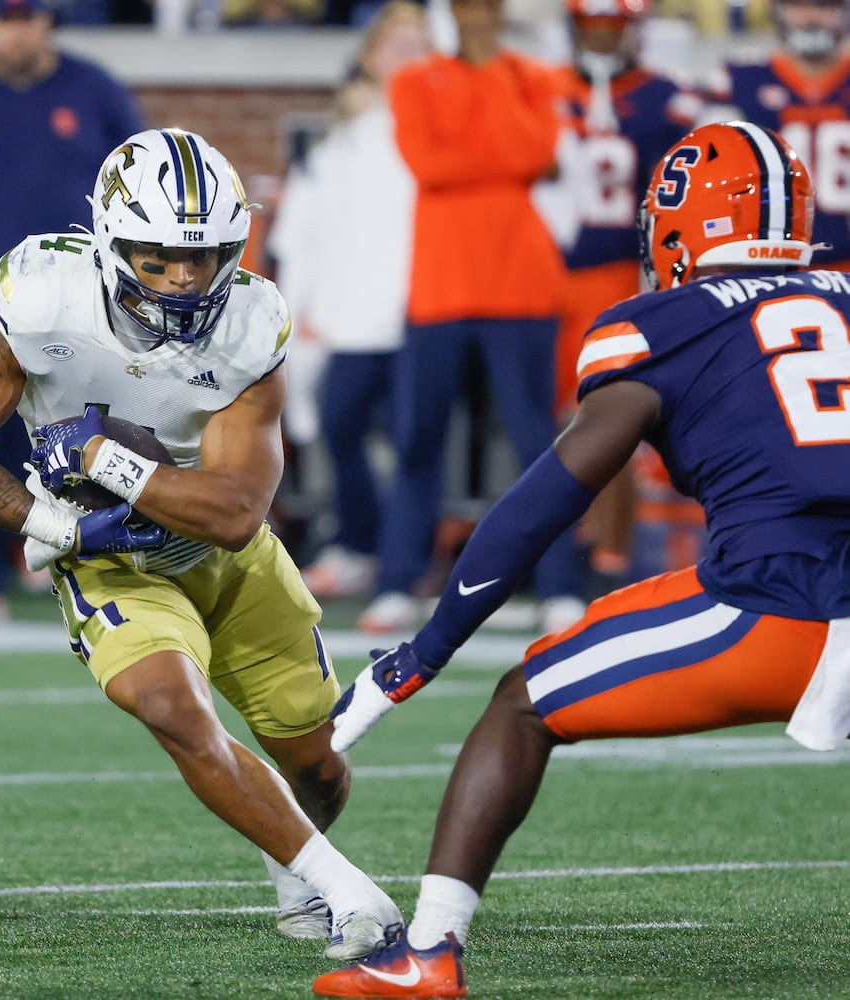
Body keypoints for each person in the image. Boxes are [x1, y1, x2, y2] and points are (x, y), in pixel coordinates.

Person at [314, 121, 850, 998]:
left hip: (770, 604)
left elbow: (538, 506)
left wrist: (424, 650)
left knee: (521, 705)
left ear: (678, 227)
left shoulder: (662, 326)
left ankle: (430, 954)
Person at [0, 127, 403, 959]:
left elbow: (238, 510)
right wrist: (55, 524)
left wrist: (104, 458)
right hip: (106, 559)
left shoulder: (250, 320)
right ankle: (352, 891)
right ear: (108, 242)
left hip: (225, 560)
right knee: (172, 706)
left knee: (314, 762)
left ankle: (295, 869)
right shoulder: (41, 292)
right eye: (159, 257)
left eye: (205, 258)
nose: (184, 278)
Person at [0, 0, 145, 627]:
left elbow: (139, 187)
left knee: (95, 437)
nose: (17, 29)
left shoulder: (95, 90)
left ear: (51, 20)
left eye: (29, 15)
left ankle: (104, 569)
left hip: (83, 301)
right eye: (3, 16)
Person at [360, 0, 585, 636]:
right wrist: (500, 156)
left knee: (536, 439)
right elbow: (431, 165)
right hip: (441, 287)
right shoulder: (414, 80)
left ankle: (560, 586)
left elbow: (536, 149)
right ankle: (398, 582)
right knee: (418, 439)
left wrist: (489, 105)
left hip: (523, 286)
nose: (476, 16)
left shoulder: (535, 76)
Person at [268, 1, 428, 602]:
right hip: (353, 318)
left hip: (417, 313)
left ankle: (400, 562)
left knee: (417, 442)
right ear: (369, 58)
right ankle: (365, 545)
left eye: (418, 42)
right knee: (339, 429)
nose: (408, 54)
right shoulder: (342, 142)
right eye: (396, 43)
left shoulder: (429, 123)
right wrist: (304, 304)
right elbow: (310, 236)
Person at [553, 0, 702, 591]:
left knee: (607, 416)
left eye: (612, 26)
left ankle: (610, 553)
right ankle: (566, 554)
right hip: (549, 275)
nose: (603, 37)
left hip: (620, 273)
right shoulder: (544, 89)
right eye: (593, 25)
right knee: (552, 420)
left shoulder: (667, 100)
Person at [704, 0, 850, 269]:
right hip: (769, 260)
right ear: (778, 11)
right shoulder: (742, 78)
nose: (810, 18)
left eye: (823, 6)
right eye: (798, 6)